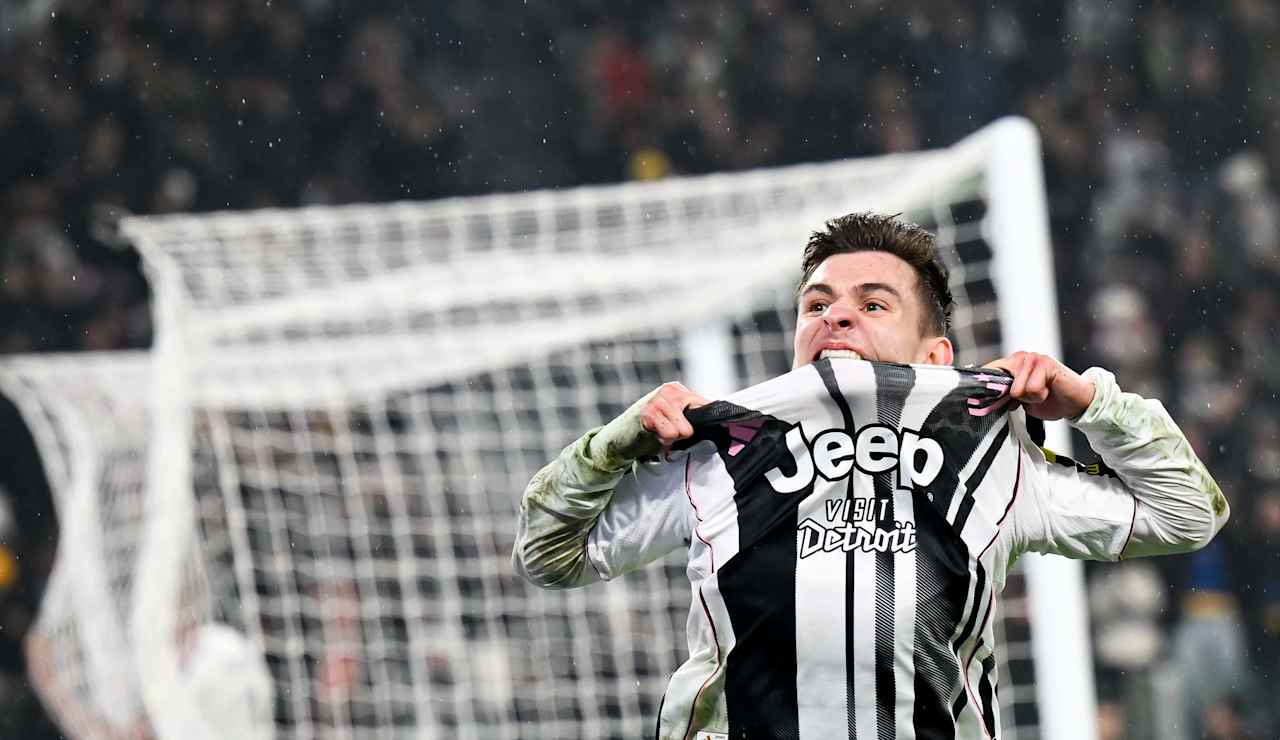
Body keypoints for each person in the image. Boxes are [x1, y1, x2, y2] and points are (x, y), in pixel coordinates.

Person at [513, 212, 1230, 739]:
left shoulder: (994, 457)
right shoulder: (718, 454)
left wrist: (1090, 402)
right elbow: (546, 555)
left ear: (937, 356)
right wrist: (612, 445)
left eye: (873, 303)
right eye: (817, 304)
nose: (836, 316)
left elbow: (1189, 512)